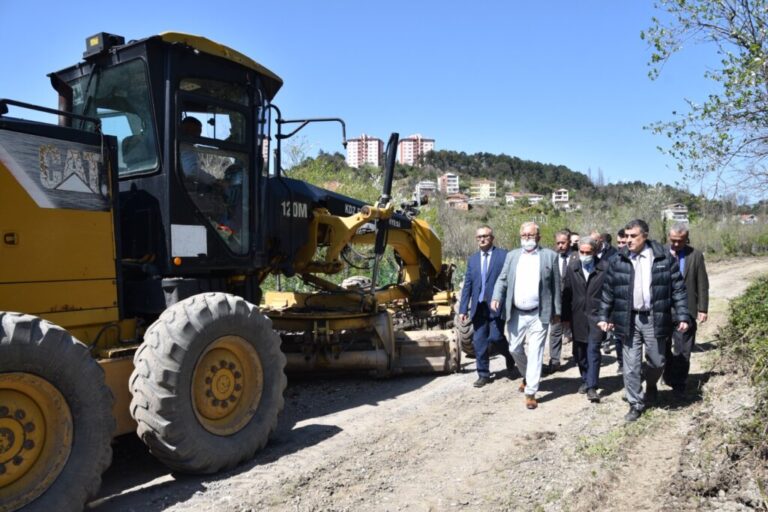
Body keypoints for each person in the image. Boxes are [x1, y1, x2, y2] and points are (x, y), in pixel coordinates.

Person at [598, 219, 690, 422]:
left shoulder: (663, 257)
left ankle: (651, 384)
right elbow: (608, 291)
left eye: (633, 237)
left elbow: (678, 289)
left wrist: (683, 315)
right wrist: (604, 316)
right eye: (626, 236)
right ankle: (635, 403)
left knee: (657, 360)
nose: (628, 241)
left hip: (653, 317)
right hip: (628, 318)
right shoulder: (618, 259)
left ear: (645, 236)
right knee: (630, 365)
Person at [491, 221, 561, 410]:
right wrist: (497, 296)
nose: (527, 239)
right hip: (516, 313)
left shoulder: (550, 257)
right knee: (514, 348)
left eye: (531, 235)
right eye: (524, 236)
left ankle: (531, 392)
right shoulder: (512, 256)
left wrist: (557, 312)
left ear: (538, 237)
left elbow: (556, 286)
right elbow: (502, 279)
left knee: (537, 351)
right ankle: (528, 373)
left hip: (539, 313)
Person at [459, 226, 515, 388]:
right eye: (479, 237)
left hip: (497, 306)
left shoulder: (503, 255)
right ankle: (483, 374)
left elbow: (509, 281)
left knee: (496, 337)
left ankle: (509, 356)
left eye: (485, 236)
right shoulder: (473, 259)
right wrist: (463, 309)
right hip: (479, 307)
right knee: (479, 341)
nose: (482, 239)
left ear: (492, 238)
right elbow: (468, 286)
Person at [663, 222, 709, 399]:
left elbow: (702, 283)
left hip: (687, 309)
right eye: (673, 240)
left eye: (680, 241)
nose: (676, 244)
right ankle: (667, 375)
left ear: (686, 239)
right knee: (663, 347)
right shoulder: (660, 253)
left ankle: (679, 382)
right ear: (669, 237)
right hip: (664, 309)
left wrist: (702, 308)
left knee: (683, 348)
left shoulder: (695, 255)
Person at [562, 236, 607, 403]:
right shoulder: (572, 267)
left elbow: (609, 294)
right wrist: (565, 318)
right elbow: (566, 294)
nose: (585, 255)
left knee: (593, 350)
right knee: (579, 351)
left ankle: (592, 386)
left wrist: (607, 316)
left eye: (589, 252)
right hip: (577, 316)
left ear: (595, 252)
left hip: (597, 316)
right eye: (582, 252)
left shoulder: (604, 268)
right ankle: (585, 378)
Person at [547, 229, 576, 374]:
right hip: (557, 302)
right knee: (555, 331)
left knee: (577, 330)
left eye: (563, 243)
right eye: (558, 243)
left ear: (569, 242)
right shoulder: (552, 258)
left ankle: (578, 356)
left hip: (574, 302)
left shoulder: (577, 257)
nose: (560, 246)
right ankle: (555, 360)